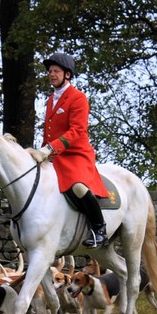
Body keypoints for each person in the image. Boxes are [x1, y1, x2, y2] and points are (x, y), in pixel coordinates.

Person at [28, 52, 110, 248]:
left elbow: (78, 130)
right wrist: (41, 152)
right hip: (54, 154)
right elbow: (49, 133)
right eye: (50, 71)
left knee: (78, 187)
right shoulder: (50, 100)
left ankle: (100, 229)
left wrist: (50, 149)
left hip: (76, 153)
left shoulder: (78, 97)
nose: (52, 74)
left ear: (67, 74)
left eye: (56, 71)